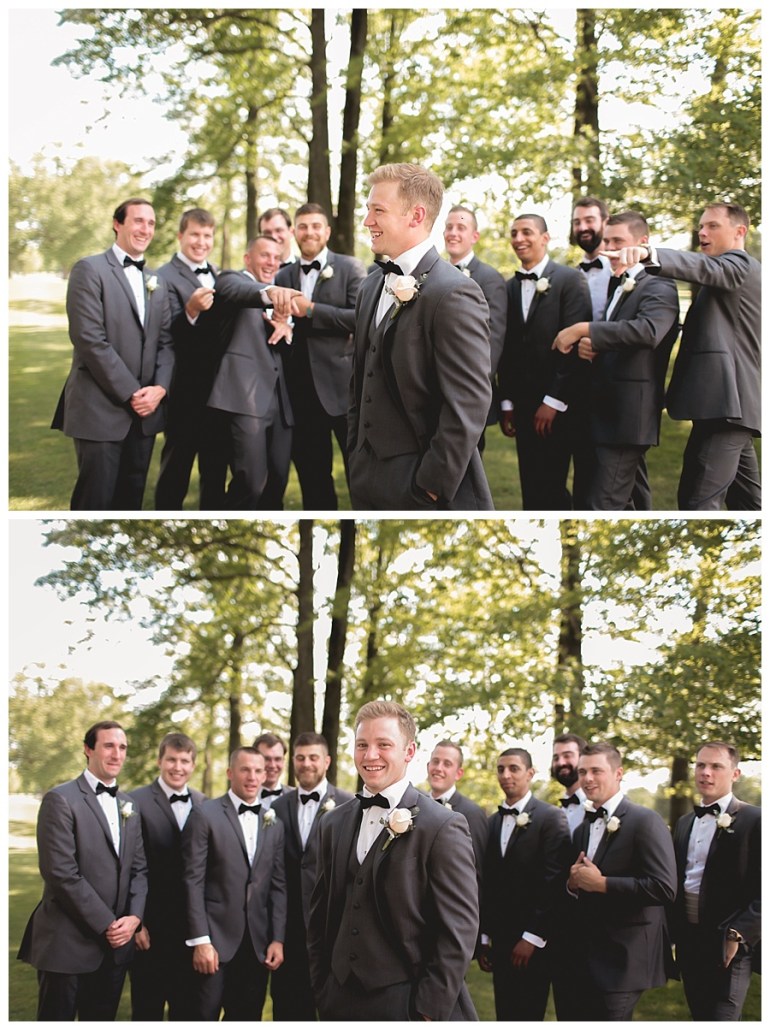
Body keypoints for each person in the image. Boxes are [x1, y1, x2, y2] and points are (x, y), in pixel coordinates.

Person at [307, 699, 479, 1020]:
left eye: (383, 744)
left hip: (407, 1002)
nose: (370, 755)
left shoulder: (442, 825)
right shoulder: (332, 824)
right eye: (362, 745)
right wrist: (323, 988)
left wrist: (427, 1011)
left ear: (409, 752)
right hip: (338, 1001)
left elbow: (459, 931)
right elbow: (320, 918)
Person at [348, 163, 493, 510]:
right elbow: (359, 380)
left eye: (377, 210)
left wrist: (430, 485)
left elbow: (469, 402)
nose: (367, 221)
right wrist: (355, 452)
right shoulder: (370, 286)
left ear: (416, 215)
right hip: (366, 478)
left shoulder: (455, 292)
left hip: (422, 486)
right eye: (368, 210)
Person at [610, 201, 760, 510]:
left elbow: (703, 267)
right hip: (724, 408)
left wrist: (650, 253)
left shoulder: (740, 267)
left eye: (712, 226)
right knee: (749, 504)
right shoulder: (723, 275)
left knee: (699, 502)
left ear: (739, 232)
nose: (702, 232)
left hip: (727, 409)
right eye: (701, 226)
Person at [18, 721, 148, 1020]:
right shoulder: (61, 799)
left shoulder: (130, 805)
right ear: (88, 749)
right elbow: (61, 874)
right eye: (108, 746)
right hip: (67, 945)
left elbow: (139, 869)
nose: (117, 754)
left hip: (114, 950)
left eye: (122, 747)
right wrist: (108, 924)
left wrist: (135, 919)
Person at [51, 198, 174, 510]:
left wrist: (159, 389)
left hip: (145, 415)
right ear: (117, 224)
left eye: (150, 223)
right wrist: (133, 393)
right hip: (99, 410)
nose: (145, 229)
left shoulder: (156, 281)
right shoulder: (89, 270)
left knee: (131, 503)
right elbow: (89, 339)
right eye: (137, 221)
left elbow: (166, 342)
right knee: (95, 501)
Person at [553, 211, 680, 510]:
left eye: (618, 241)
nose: (609, 248)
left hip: (628, 415)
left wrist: (583, 329)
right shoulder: (622, 282)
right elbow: (621, 338)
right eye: (607, 241)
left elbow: (648, 332)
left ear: (643, 243)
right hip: (608, 411)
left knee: (604, 504)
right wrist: (594, 347)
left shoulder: (658, 284)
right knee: (634, 499)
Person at [566, 742, 677, 1020]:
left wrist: (603, 884)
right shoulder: (583, 828)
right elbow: (579, 883)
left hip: (625, 958)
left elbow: (664, 888)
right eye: (582, 772)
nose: (588, 778)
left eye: (596, 771)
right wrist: (572, 884)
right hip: (584, 956)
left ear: (618, 773)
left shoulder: (645, 821)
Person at [182, 746, 287, 1020]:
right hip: (214, 942)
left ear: (265, 774)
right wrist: (200, 941)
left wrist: (277, 938)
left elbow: (278, 886)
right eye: (245, 769)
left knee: (247, 1017)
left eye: (258, 770)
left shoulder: (273, 823)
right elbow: (193, 881)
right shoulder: (205, 815)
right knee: (202, 1017)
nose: (252, 777)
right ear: (230, 773)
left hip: (257, 946)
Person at [497, 213, 593, 509]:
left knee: (552, 487)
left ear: (544, 238)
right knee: (531, 488)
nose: (518, 239)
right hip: (522, 407)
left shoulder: (569, 280)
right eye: (514, 233)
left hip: (559, 406)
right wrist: (507, 403)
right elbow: (506, 349)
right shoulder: (508, 287)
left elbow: (575, 347)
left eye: (526, 232)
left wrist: (553, 401)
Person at [274, 203, 367, 508]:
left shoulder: (350, 267)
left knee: (360, 475)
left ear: (326, 232)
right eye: (303, 226)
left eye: (316, 226)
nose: (309, 232)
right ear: (293, 232)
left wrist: (312, 310)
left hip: (344, 390)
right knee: (314, 479)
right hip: (300, 392)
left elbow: (359, 319)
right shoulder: (283, 275)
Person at [206, 235, 299, 509]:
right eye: (264, 255)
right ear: (248, 258)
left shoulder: (283, 296)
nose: (271, 261)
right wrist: (269, 293)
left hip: (280, 404)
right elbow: (239, 291)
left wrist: (287, 331)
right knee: (251, 481)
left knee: (278, 480)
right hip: (243, 398)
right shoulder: (231, 280)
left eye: (276, 257)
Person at [478, 748, 571, 1020]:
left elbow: (554, 882)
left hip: (534, 943)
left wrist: (532, 937)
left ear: (530, 773)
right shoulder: (491, 822)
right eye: (500, 769)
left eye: (514, 769)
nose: (506, 775)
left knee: (528, 1013)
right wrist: (484, 937)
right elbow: (488, 882)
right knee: (504, 1014)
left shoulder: (551, 818)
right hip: (500, 940)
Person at [671, 741, 760, 1020]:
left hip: (729, 944)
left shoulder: (755, 820)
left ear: (735, 774)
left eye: (716, 766)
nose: (705, 772)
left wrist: (737, 933)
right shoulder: (685, 822)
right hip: (689, 944)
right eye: (700, 765)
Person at [271, 732, 355, 1019]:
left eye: (313, 757)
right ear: (292, 761)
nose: (306, 764)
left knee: (334, 1010)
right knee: (287, 1007)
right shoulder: (276, 808)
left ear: (327, 761)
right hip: (287, 931)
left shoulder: (348, 805)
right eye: (300, 757)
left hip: (331, 929)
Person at [127, 732, 206, 1021]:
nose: (177, 767)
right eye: (171, 759)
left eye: (184, 761)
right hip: (150, 930)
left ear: (193, 765)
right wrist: (137, 921)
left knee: (187, 1010)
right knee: (146, 1009)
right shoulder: (134, 801)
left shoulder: (203, 803)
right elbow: (129, 869)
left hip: (190, 931)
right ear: (160, 761)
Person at [155, 208, 229, 510]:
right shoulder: (162, 277)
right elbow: (163, 335)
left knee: (215, 477)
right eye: (195, 234)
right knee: (175, 474)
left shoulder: (219, 275)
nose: (201, 242)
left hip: (218, 394)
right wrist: (190, 311)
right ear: (181, 236)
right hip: (184, 395)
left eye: (207, 235)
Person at [443, 205, 507, 450]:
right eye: (449, 227)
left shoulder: (490, 279)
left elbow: (495, 339)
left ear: (474, 236)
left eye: (461, 227)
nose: (453, 233)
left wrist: (470, 389)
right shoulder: (431, 274)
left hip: (470, 392)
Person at [426, 739, 489, 885]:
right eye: (435, 761)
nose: (439, 768)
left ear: (458, 773)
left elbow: (476, 872)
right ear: (428, 766)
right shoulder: (413, 807)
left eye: (447, 764)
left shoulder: (472, 813)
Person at [571, 196, 612, 319]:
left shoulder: (622, 272)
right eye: (577, 222)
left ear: (605, 223)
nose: (582, 228)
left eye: (589, 220)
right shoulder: (571, 275)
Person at [550, 732, 588, 836]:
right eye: (556, 758)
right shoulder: (555, 812)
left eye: (567, 756)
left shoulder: (598, 807)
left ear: (583, 759)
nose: (561, 763)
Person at [253, 731, 295, 807]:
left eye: (278, 759)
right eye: (266, 759)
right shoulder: (241, 797)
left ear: (283, 761)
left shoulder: (297, 797)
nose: (272, 765)